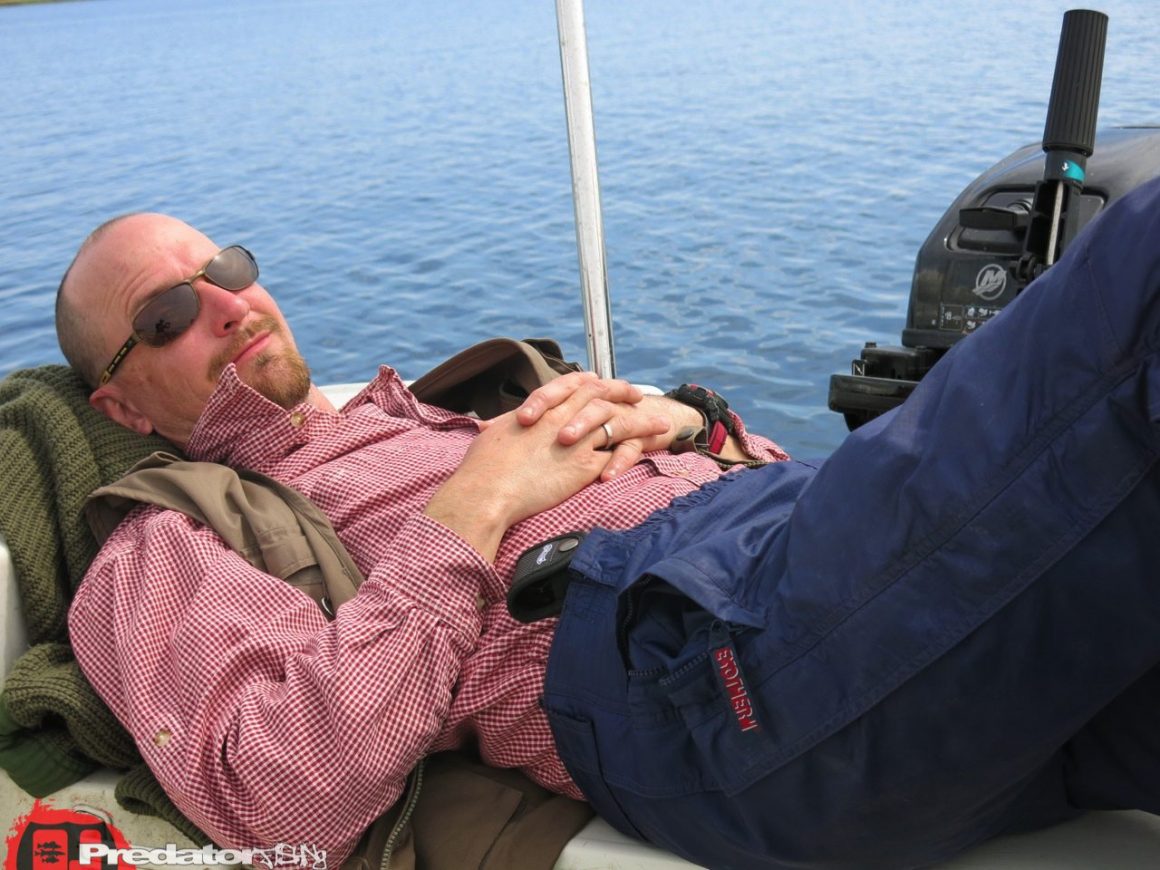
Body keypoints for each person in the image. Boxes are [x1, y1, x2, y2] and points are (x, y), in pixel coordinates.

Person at [57, 172, 1160, 870]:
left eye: (225, 269)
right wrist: (470, 511)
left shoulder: (436, 410)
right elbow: (285, 792)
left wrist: (700, 426)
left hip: (802, 581)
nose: (227, 305)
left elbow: (803, 513)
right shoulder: (162, 542)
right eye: (166, 315)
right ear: (117, 401)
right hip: (700, 680)